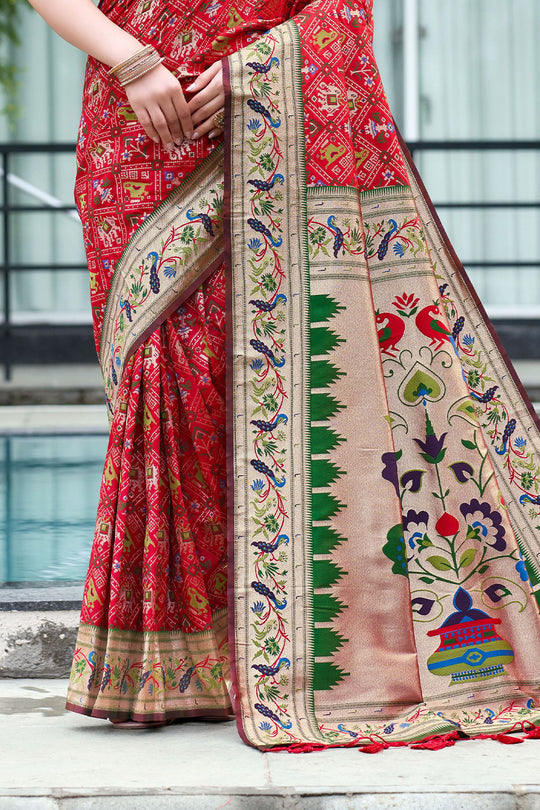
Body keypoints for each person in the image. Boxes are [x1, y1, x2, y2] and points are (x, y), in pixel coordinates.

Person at [29, 0, 540, 750]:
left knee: (278, 376)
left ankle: (288, 652)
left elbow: (345, 8)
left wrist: (253, 73)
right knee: (162, 372)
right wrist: (132, 62)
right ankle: (183, 662)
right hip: (134, 124)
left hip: (270, 124)